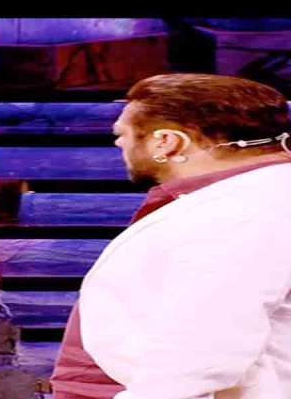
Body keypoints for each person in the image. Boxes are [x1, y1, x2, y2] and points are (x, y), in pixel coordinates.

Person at [50, 73, 291, 398]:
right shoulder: (255, 199)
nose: (119, 144)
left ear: (167, 142)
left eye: (122, 134)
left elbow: (201, 355)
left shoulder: (239, 213)